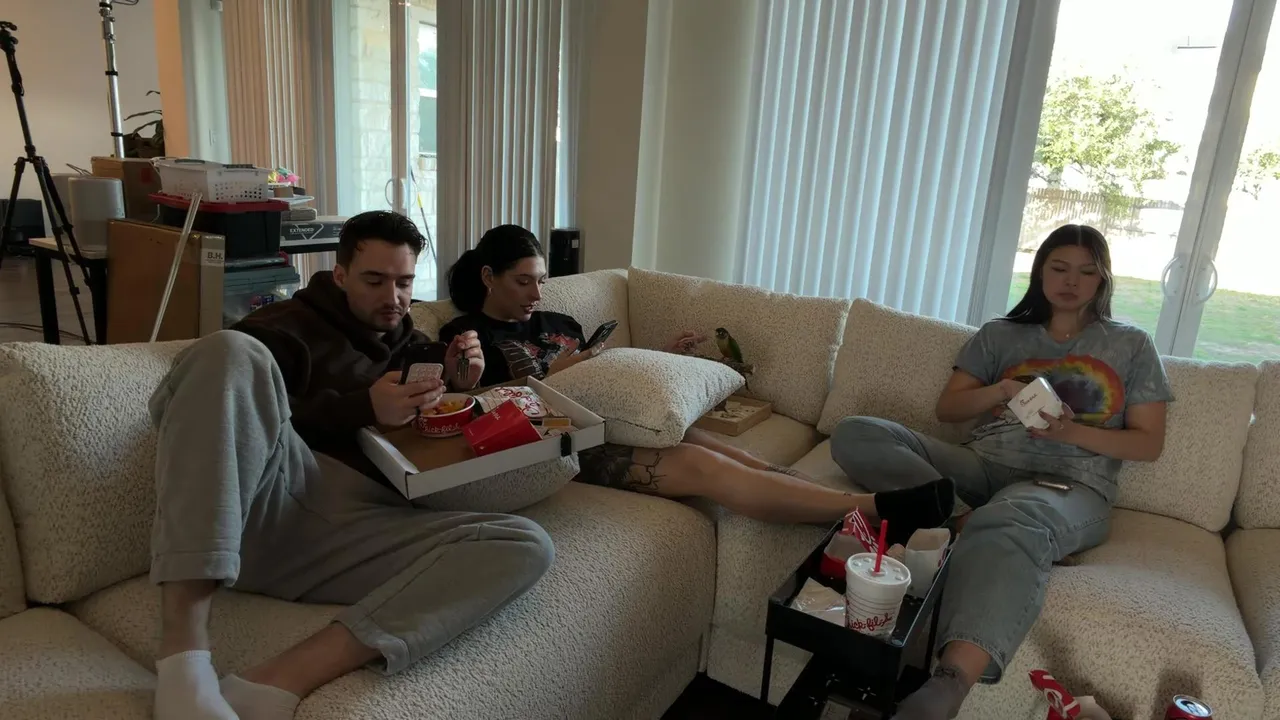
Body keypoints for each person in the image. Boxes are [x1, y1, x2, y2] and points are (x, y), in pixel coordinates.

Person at [149, 211, 555, 720]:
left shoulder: (407, 341)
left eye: (404, 282)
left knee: (526, 543)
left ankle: (273, 683)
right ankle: (183, 659)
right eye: (375, 280)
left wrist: (458, 382)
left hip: (353, 525)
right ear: (340, 275)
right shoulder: (280, 329)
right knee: (227, 350)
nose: (394, 297)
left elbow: (420, 418)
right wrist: (361, 407)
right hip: (269, 499)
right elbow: (222, 415)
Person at [830, 225, 1173, 720]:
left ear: (1102, 279)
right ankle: (960, 518)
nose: (1070, 281)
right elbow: (948, 409)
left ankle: (947, 685)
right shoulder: (999, 334)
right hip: (982, 463)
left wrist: (1071, 433)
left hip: (1070, 484)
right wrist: (1002, 390)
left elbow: (1148, 443)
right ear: (1040, 272)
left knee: (1010, 517)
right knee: (857, 431)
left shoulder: (1133, 345)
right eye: (1059, 268)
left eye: (1086, 272)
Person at [438, 224, 956, 532]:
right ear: (488, 277)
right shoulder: (468, 335)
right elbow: (476, 411)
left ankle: (845, 505)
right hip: (572, 446)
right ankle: (874, 510)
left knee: (744, 456)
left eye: (541, 280)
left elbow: (614, 377)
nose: (537, 294)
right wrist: (473, 381)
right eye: (522, 281)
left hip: (621, 418)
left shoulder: (561, 322)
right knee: (703, 466)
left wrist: (659, 360)